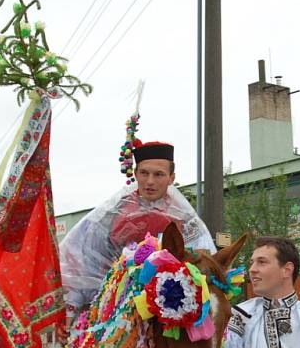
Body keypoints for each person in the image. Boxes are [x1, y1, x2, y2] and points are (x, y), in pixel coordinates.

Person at [59, 139, 215, 326]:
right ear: (135, 174)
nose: (150, 181)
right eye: (144, 173)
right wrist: (71, 306)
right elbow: (82, 263)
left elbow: (205, 262)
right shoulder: (111, 214)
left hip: (169, 311)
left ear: (171, 178)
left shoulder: (185, 219)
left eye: (158, 174)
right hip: (113, 314)